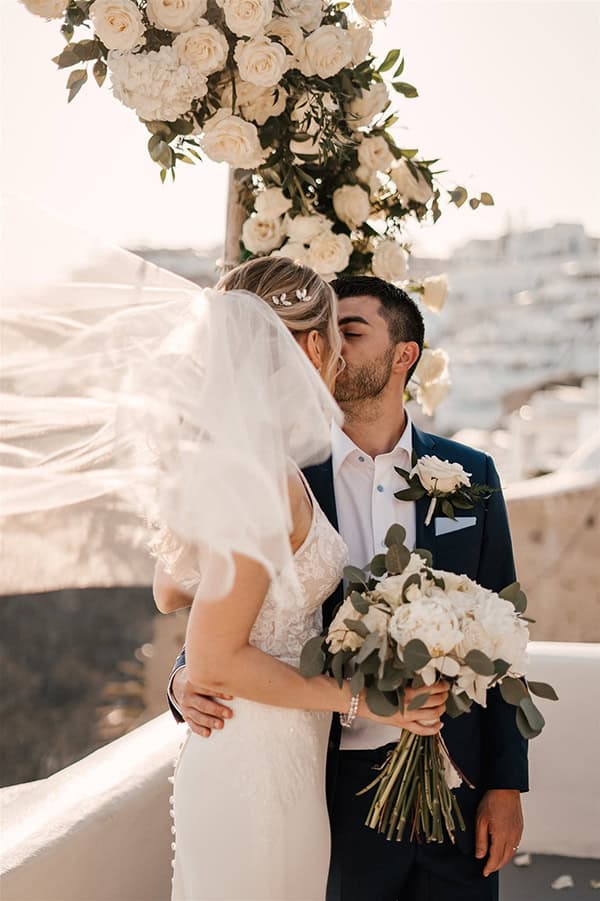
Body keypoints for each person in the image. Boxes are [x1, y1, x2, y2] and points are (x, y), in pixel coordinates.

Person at [165, 275, 528, 901]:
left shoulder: (472, 473)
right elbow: (230, 610)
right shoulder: (285, 473)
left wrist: (506, 785)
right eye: (330, 330)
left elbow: (507, 637)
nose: (334, 344)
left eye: (352, 331)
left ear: (403, 355)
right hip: (331, 786)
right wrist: (184, 679)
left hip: (455, 786)